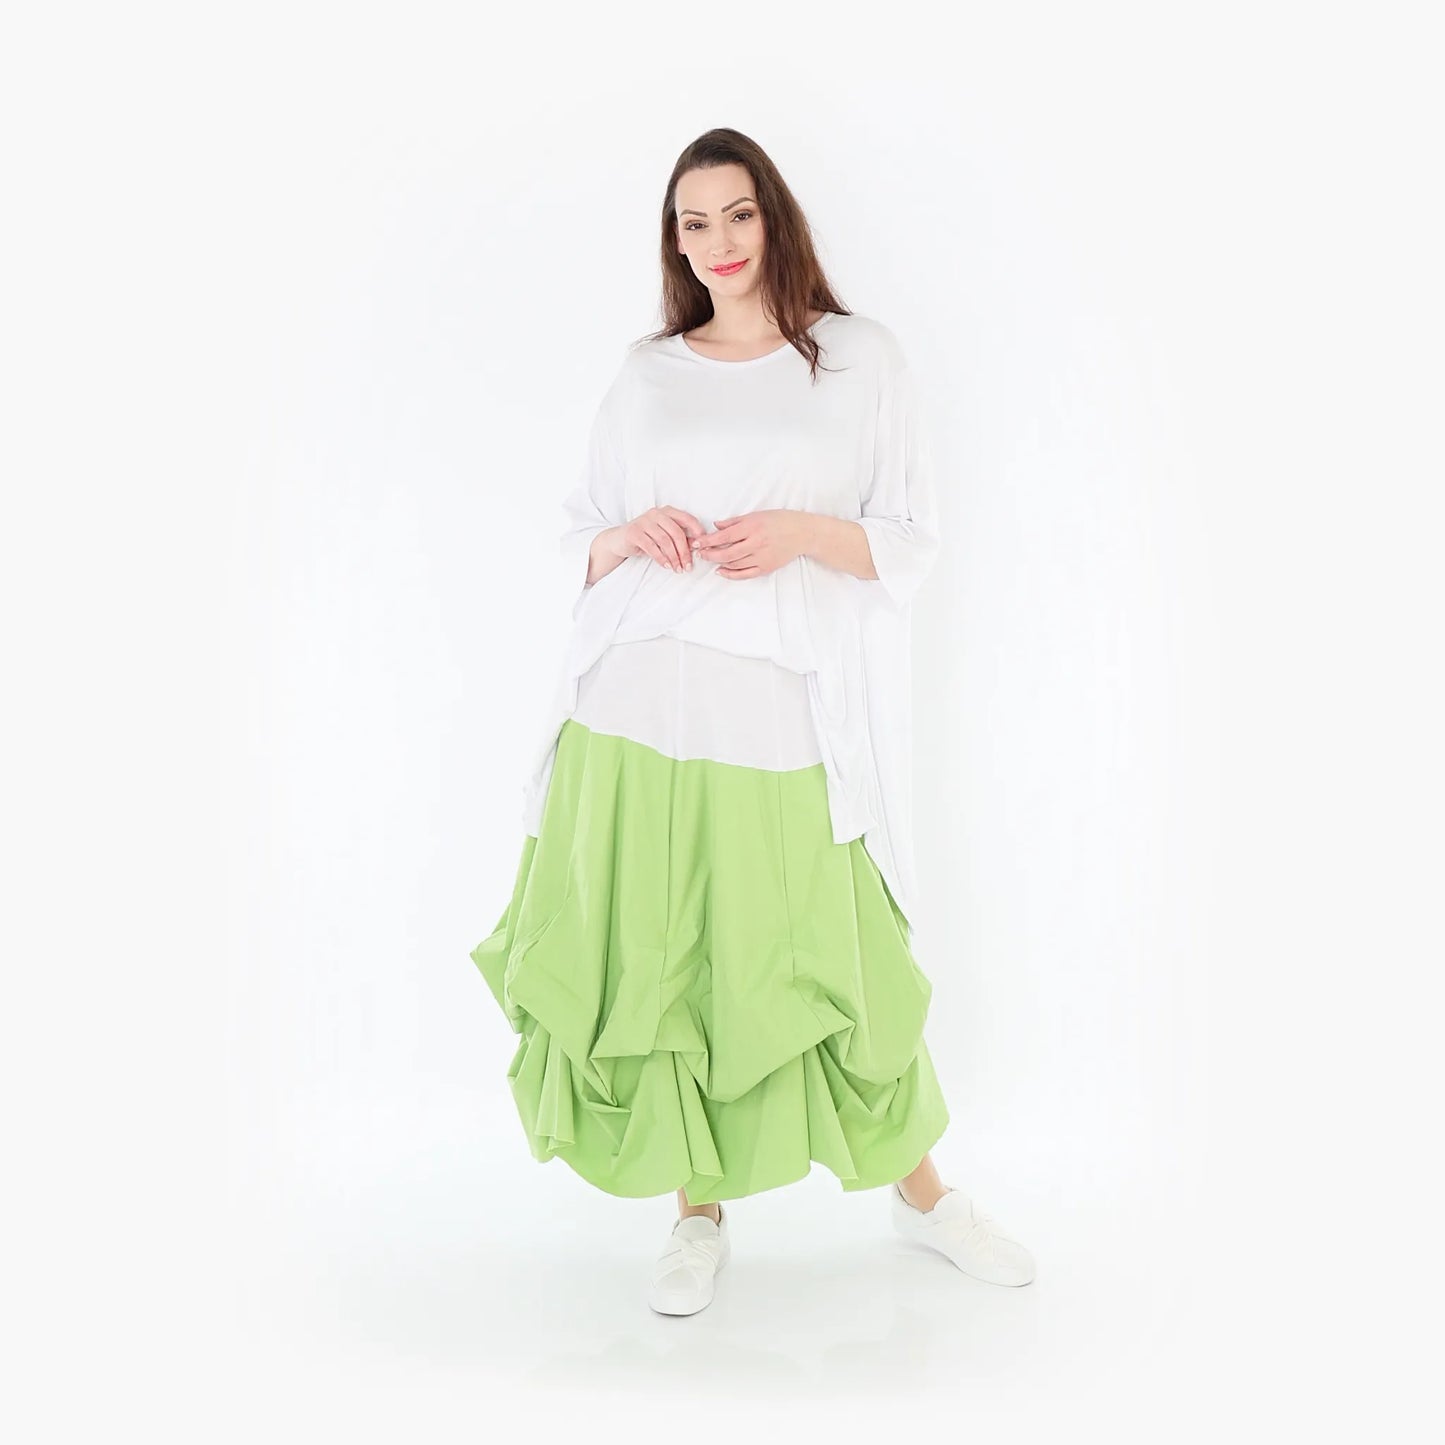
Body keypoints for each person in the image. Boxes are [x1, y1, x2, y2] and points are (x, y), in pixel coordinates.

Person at [470, 127, 1035, 1315]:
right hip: (633, 701)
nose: (718, 242)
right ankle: (696, 1211)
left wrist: (799, 534)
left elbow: (908, 539)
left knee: (834, 950)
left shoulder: (857, 359)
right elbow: (577, 529)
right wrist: (626, 534)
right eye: (693, 223)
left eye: (736, 214)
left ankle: (923, 1194)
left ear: (772, 216)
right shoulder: (646, 371)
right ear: (673, 242)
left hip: (780, 703)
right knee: (662, 951)